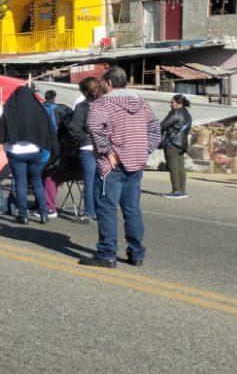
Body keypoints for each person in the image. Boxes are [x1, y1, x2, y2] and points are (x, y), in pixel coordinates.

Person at [80, 67, 161, 268]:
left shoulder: (103, 103)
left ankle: (107, 253)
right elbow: (155, 130)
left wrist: (107, 150)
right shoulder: (142, 104)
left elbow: (94, 127)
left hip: (112, 164)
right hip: (135, 163)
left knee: (107, 209)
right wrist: (144, 150)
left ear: (108, 83)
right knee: (132, 209)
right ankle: (137, 253)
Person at [0, 86, 57, 224]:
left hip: (16, 152)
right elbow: (47, 130)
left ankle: (23, 215)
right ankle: (44, 213)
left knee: (20, 183)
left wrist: (7, 149)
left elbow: (2, 130)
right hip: (35, 151)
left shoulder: (10, 110)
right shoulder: (38, 110)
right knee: (37, 182)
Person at [66, 77, 102, 221]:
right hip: (104, 148)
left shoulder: (81, 106)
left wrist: (81, 139)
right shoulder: (106, 105)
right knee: (101, 181)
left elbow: (74, 129)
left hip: (87, 147)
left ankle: (89, 212)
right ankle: (101, 212)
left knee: (90, 181)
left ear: (84, 91)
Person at [160, 94, 193, 199]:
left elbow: (163, 125)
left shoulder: (176, 113)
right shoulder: (187, 114)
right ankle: (182, 190)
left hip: (172, 142)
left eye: (172, 102)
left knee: (173, 167)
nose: (171, 104)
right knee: (180, 168)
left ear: (179, 104)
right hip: (182, 143)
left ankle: (176, 191)